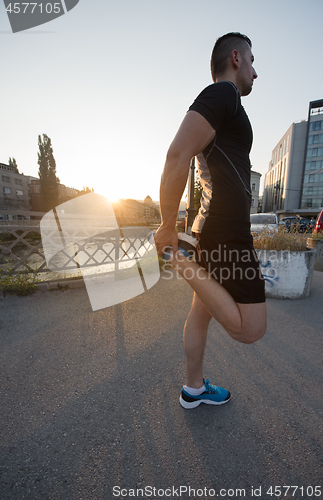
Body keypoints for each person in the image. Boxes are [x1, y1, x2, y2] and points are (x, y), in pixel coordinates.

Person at [153, 32, 267, 409]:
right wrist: (168, 227)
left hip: (214, 228)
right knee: (251, 329)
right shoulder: (224, 94)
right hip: (225, 233)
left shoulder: (226, 101)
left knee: (199, 314)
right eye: (252, 60)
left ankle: (193, 389)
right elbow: (176, 155)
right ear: (236, 58)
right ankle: (179, 260)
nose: (256, 71)